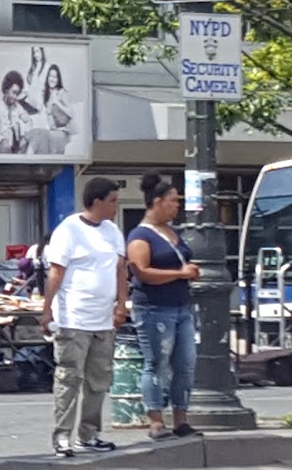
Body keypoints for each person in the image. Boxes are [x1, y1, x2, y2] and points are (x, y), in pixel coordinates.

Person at [42, 177, 128, 458]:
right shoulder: (69, 230)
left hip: (103, 319)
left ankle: (89, 433)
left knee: (99, 379)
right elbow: (56, 271)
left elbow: (120, 270)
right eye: (112, 201)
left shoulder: (113, 231)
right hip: (74, 318)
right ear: (97, 202)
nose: (116, 206)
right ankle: (62, 436)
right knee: (69, 378)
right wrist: (47, 309)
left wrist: (121, 305)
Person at [128, 173, 201, 441]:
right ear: (157, 202)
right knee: (157, 362)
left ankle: (181, 418)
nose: (176, 205)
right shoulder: (140, 235)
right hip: (154, 308)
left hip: (181, 306)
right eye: (172, 201)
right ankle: (156, 420)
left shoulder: (172, 232)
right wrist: (181, 274)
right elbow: (142, 272)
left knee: (185, 363)